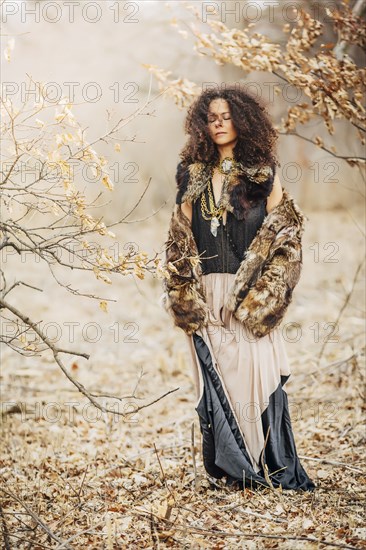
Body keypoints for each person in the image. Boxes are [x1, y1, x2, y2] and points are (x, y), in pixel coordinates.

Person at [162, 86, 316, 492]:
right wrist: (186, 299)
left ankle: (269, 466)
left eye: (226, 116)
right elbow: (178, 241)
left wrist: (260, 300)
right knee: (221, 382)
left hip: (249, 297)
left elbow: (287, 240)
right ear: (201, 124)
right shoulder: (191, 175)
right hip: (206, 295)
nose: (218, 123)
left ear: (243, 120)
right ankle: (236, 470)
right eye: (211, 117)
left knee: (255, 375)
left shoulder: (263, 173)